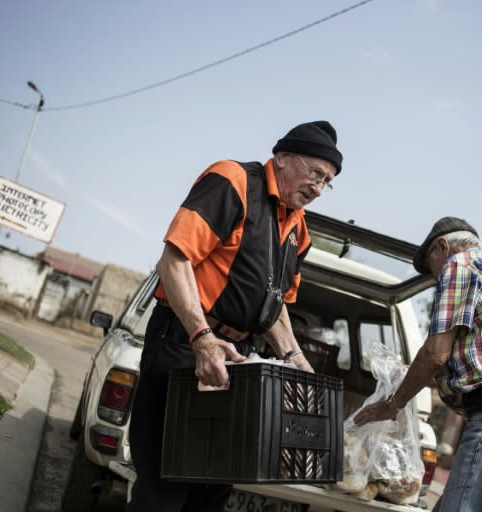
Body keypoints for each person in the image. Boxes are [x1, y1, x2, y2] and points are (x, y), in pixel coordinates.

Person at [126, 120, 343, 512]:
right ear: (281, 157)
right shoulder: (233, 181)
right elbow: (174, 260)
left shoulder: (300, 229)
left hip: (241, 356)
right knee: (164, 479)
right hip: (185, 342)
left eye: (327, 181)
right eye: (314, 173)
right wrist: (202, 338)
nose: (318, 188)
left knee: (213, 484)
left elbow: (276, 309)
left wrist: (296, 360)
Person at [354, 216, 482, 512]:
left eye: (431, 270)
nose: (435, 280)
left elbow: (435, 354)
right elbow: (469, 361)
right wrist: (404, 377)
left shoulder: (459, 264)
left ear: (442, 247)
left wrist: (394, 403)